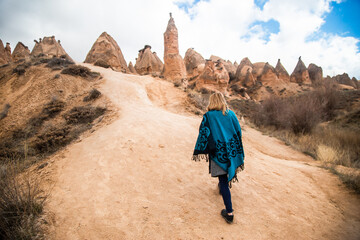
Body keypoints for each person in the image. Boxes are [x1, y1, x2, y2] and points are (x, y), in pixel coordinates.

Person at [192, 92, 245, 224]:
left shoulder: (208, 116)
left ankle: (229, 213)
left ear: (211, 102)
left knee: (222, 178)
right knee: (226, 174)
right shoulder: (231, 114)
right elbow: (238, 131)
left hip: (218, 153)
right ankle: (222, 189)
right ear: (222, 101)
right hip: (231, 151)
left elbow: (204, 133)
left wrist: (203, 147)